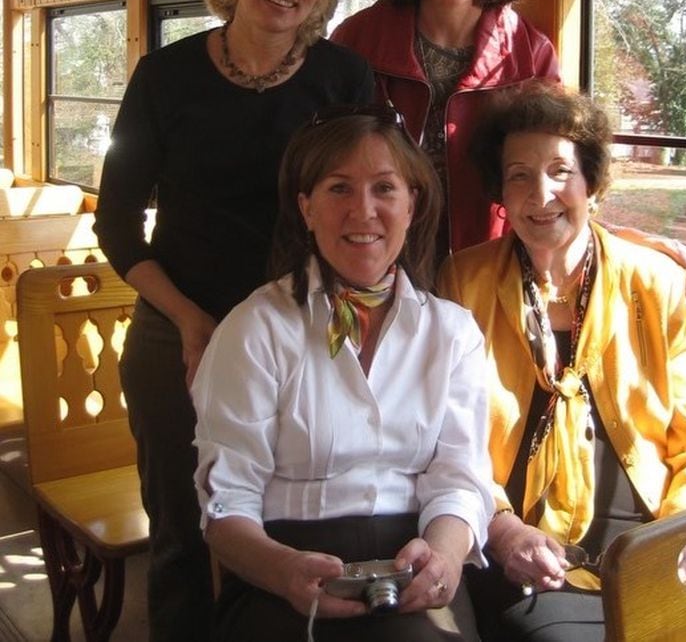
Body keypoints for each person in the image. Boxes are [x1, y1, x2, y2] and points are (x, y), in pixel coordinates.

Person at [93, 0, 374, 642]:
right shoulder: (166, 76)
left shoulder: (344, 82)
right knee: (182, 533)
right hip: (177, 328)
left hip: (304, 333)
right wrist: (191, 322)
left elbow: (370, 208)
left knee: (291, 528)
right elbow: (115, 222)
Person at [436, 81, 686, 642]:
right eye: (518, 175)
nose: (540, 193)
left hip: (652, 540)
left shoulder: (655, 282)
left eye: (560, 171)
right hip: (528, 548)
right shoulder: (464, 281)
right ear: (500, 192)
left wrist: (682, 539)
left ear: (592, 184)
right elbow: (449, 439)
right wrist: (502, 531)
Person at [191, 105, 495, 642]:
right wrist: (282, 571)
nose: (363, 211)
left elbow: (460, 479)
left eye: (384, 188)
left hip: (415, 557)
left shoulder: (453, 333)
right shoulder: (255, 329)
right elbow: (225, 504)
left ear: (413, 205)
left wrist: (445, 558)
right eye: (338, 189)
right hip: (281, 564)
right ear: (306, 209)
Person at [331, 0, 560, 261]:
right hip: (375, 259)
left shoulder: (531, 54)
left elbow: (556, 173)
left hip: (487, 265)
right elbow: (328, 165)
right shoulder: (357, 41)